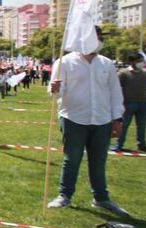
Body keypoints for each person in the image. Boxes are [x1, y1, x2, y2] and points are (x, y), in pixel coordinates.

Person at [46, 26, 129, 217]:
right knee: (71, 159)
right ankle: (64, 195)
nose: (98, 41)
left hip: (102, 119)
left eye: (100, 38)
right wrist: (54, 88)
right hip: (73, 118)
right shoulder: (64, 62)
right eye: (95, 37)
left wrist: (117, 118)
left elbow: (115, 93)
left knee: (98, 161)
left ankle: (101, 198)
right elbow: (56, 93)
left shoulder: (107, 64)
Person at [113, 52, 146, 153]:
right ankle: (119, 145)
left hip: (143, 104)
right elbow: (115, 87)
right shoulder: (123, 73)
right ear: (131, 62)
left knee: (142, 126)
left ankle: (142, 145)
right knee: (124, 126)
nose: (141, 63)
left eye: (142, 61)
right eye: (138, 61)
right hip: (128, 104)